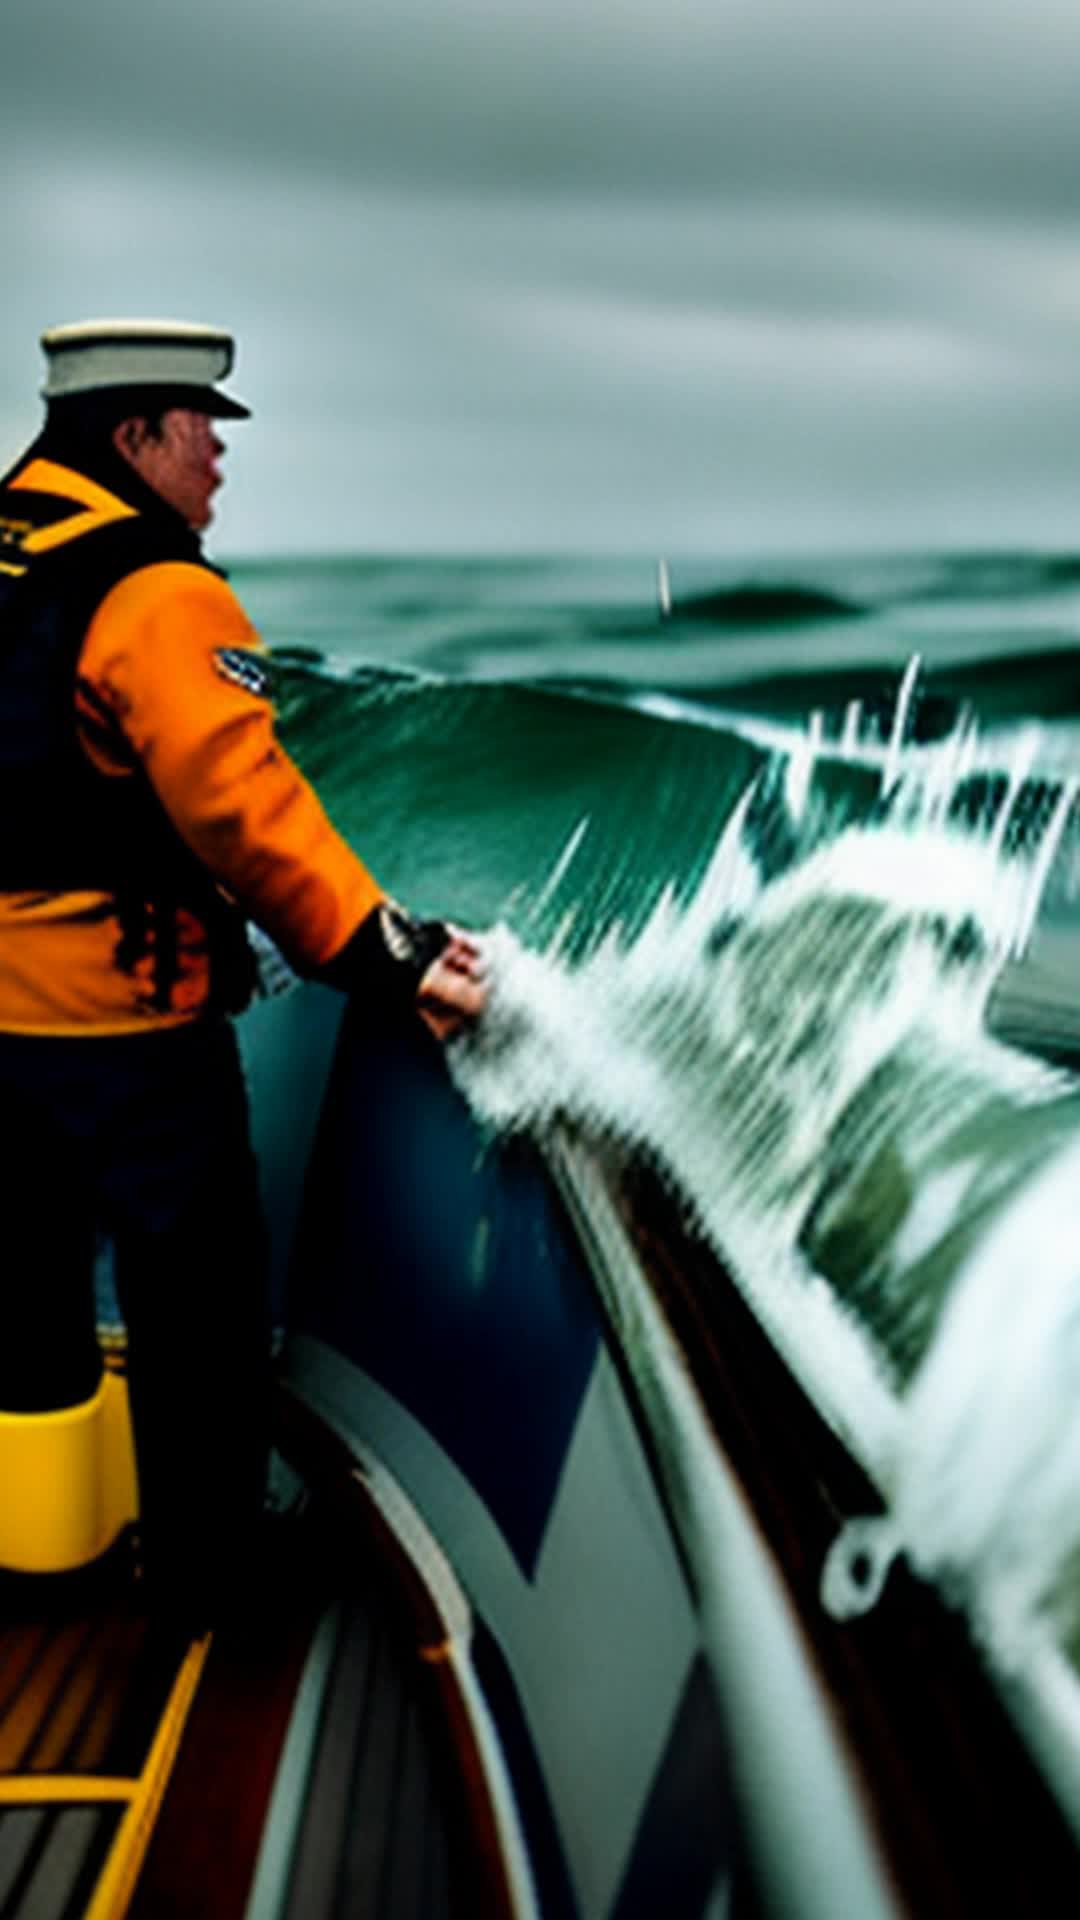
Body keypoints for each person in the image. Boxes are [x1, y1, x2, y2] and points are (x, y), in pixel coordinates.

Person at [0, 318, 487, 1629]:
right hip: (123, 1028)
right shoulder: (158, 592)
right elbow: (246, 816)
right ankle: (208, 1583)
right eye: (201, 426)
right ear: (133, 436)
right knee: (197, 1307)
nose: (219, 454)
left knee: (24, 1304)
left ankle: (41, 1554)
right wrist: (385, 956)